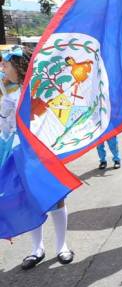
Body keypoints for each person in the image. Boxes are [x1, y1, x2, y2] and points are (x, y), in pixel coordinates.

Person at [1, 46, 73, 268]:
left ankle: (62, 246)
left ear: (19, 66)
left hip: (44, 150)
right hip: (19, 152)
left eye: (6, 64)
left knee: (55, 197)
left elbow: (61, 111)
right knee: (30, 198)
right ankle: (37, 248)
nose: (3, 68)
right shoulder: (9, 93)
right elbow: (6, 128)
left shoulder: (39, 89)